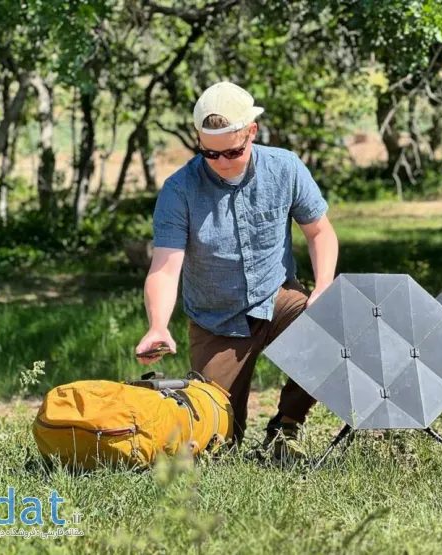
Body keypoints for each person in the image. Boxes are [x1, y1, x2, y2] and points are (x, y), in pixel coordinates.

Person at [134, 81, 339, 461]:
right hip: (216, 316)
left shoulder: (285, 167)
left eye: (233, 150)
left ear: (252, 132)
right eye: (210, 154)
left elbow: (320, 232)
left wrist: (323, 285)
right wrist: (158, 325)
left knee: (333, 329)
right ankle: (232, 430)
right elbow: (164, 268)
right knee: (219, 444)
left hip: (275, 296)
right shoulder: (179, 189)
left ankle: (286, 427)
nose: (222, 162)